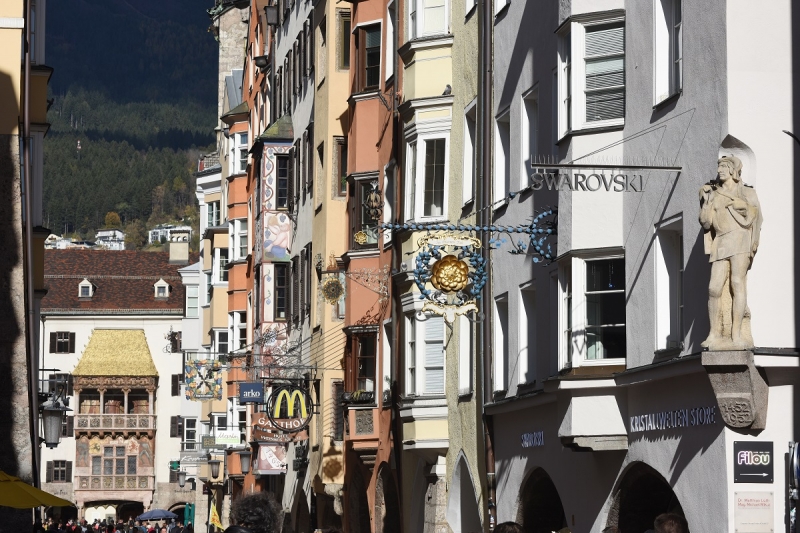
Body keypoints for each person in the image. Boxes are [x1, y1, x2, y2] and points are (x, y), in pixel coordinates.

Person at [699, 155, 762, 350]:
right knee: (714, 288)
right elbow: (706, 223)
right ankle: (713, 333)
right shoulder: (713, 193)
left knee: (737, 283)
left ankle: (736, 334)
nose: (720, 171)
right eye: (719, 168)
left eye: (724, 167)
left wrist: (742, 207)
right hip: (721, 240)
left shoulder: (746, 192)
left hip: (739, 239)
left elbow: (757, 217)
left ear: (734, 171)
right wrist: (707, 202)